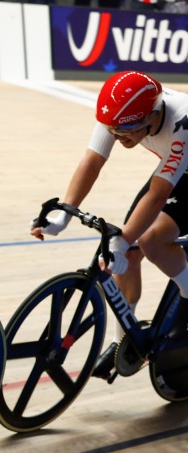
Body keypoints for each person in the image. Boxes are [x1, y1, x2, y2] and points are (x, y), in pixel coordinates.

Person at [32, 71, 188, 379]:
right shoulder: (118, 115)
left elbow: (158, 195)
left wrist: (125, 238)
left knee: (149, 240)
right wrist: (65, 211)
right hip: (177, 168)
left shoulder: (182, 122)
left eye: (127, 130)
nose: (118, 136)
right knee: (126, 252)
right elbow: (92, 160)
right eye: (112, 130)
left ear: (153, 115)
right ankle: (124, 341)